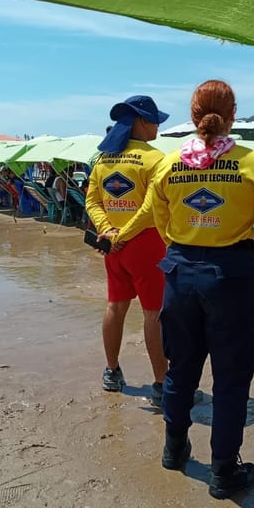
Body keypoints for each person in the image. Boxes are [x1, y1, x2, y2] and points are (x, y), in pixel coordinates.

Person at [145, 80, 254, 497]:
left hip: (181, 273)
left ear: (193, 116)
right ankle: (224, 469)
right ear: (233, 115)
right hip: (232, 274)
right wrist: (248, 261)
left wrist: (185, 246)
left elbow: (161, 220)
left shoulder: (169, 164)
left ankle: (174, 449)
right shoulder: (253, 164)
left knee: (180, 366)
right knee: (231, 375)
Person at [85, 95, 169, 406]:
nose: (158, 127)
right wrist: (126, 234)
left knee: (115, 307)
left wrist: (108, 231)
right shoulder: (155, 159)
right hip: (146, 244)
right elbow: (151, 208)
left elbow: (92, 201)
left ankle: (111, 371)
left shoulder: (103, 159)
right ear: (142, 122)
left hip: (112, 247)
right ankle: (161, 384)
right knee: (154, 313)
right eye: (156, 121)